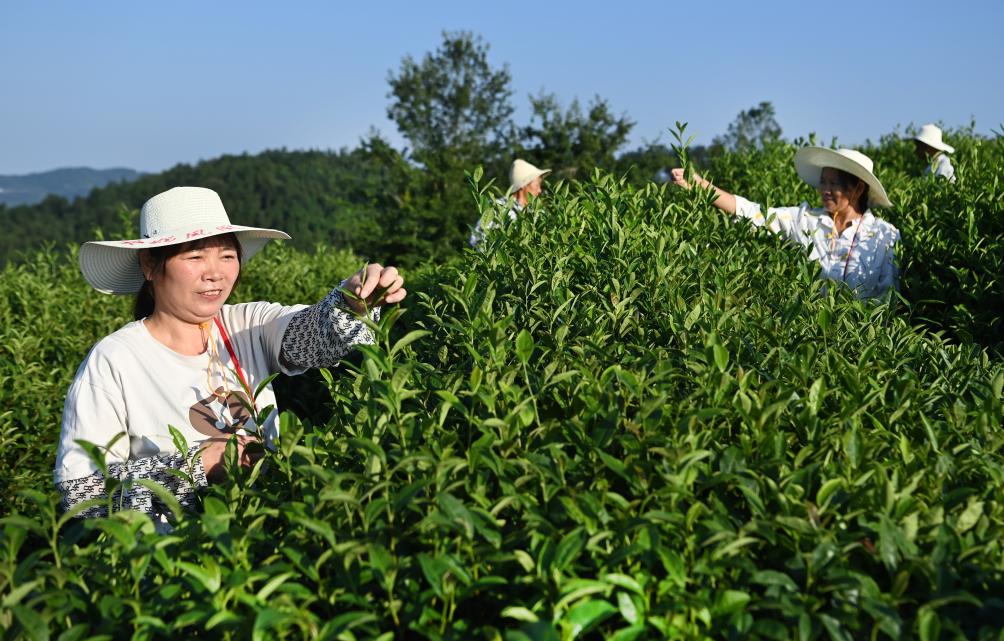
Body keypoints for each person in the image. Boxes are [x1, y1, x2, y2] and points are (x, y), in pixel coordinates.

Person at [54, 186, 406, 521]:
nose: (215, 273)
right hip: (166, 556)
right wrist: (198, 467)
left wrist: (351, 302)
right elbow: (80, 497)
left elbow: (314, 335)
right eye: (195, 256)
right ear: (149, 265)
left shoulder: (247, 325)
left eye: (226, 255)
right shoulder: (116, 359)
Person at [671, 147, 900, 300]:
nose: (825, 190)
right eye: (823, 183)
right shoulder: (805, 220)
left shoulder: (884, 234)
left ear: (858, 188)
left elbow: (888, 295)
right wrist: (700, 186)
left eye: (834, 184)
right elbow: (754, 213)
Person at [469, 159, 550, 248]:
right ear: (523, 185)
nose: (540, 190)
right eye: (537, 185)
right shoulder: (497, 207)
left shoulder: (538, 212)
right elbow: (477, 241)